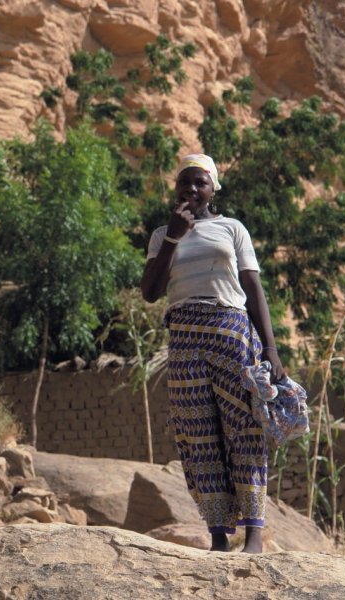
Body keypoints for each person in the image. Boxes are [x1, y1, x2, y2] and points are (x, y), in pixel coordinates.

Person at [140, 153, 284, 553]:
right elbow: (151, 292)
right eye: (184, 183)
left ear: (213, 189)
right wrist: (172, 237)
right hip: (184, 340)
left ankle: (254, 534)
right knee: (199, 436)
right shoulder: (160, 235)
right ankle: (219, 536)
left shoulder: (231, 229)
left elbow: (253, 289)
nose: (191, 189)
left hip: (231, 333)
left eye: (199, 182)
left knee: (244, 430)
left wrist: (269, 347)